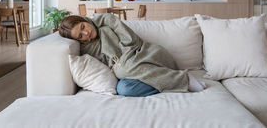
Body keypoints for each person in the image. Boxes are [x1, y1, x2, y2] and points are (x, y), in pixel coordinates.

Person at [59, 13, 205, 97]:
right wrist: (118, 68)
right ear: (79, 40)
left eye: (83, 27)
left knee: (122, 69)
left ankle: (182, 80)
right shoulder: (87, 50)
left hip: (146, 55)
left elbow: (132, 42)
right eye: (80, 35)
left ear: (84, 20)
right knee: (124, 89)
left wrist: (119, 66)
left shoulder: (106, 22)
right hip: (130, 74)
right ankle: (177, 79)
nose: (86, 33)